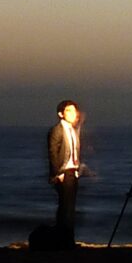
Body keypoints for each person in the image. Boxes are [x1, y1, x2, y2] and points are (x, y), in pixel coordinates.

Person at [46, 98, 84, 242]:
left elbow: (74, 151)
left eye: (74, 110)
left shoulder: (72, 130)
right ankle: (63, 238)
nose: (72, 113)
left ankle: (68, 238)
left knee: (70, 207)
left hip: (72, 172)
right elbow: (52, 152)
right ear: (61, 114)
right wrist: (58, 173)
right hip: (63, 173)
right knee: (65, 207)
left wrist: (77, 169)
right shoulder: (57, 130)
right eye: (68, 110)